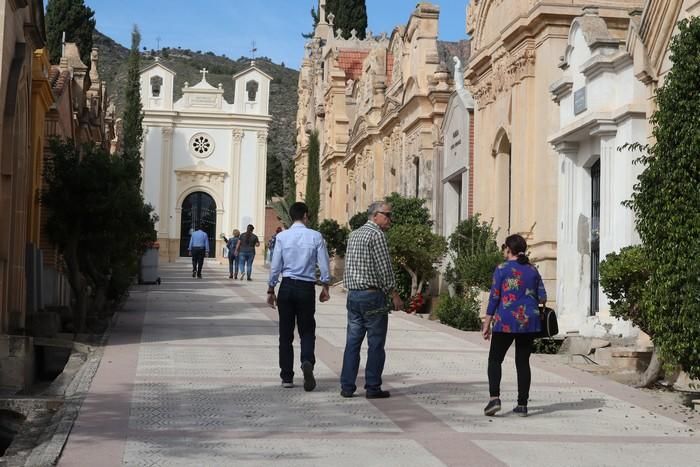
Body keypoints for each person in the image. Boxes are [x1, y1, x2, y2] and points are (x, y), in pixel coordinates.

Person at [340, 201, 404, 399]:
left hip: (353, 296)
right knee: (375, 343)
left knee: (353, 342)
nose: (390, 220)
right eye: (387, 215)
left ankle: (347, 386)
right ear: (375, 215)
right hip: (372, 296)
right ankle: (372, 386)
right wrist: (394, 294)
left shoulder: (354, 234)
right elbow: (384, 268)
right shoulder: (377, 235)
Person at [267, 202, 331, 391]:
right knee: (307, 329)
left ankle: (287, 376)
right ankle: (307, 360)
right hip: (306, 288)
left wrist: (271, 289)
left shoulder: (282, 237)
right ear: (304, 215)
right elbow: (324, 264)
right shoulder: (315, 236)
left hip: (286, 286)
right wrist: (325, 285)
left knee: (285, 333)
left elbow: (275, 265)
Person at [482, 234, 547, 417]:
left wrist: (486, 323)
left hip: (505, 322)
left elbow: (494, 297)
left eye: (504, 248)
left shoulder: (501, 269)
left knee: (495, 360)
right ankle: (522, 405)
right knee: (523, 362)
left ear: (508, 249)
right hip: (529, 322)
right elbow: (542, 297)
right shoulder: (532, 270)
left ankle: (494, 399)